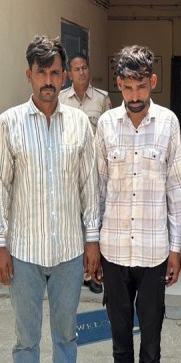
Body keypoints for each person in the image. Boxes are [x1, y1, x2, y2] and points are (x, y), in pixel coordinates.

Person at [0, 35, 100, 363]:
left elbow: (89, 186)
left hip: (69, 252)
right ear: (29, 75)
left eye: (55, 72)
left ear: (64, 74)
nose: (49, 80)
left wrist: (92, 240)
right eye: (42, 73)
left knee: (66, 339)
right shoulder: (10, 123)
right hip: (24, 254)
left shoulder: (79, 124)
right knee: (26, 342)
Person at [95, 45, 181, 363]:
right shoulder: (105, 125)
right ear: (119, 84)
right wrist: (92, 245)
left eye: (141, 87)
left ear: (152, 82)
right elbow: (97, 189)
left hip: (153, 253)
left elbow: (177, 190)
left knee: (151, 337)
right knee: (120, 335)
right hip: (114, 250)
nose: (135, 96)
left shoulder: (168, 124)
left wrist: (176, 248)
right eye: (128, 87)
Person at [60, 52, 111, 294]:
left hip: (95, 171)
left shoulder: (102, 99)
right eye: (76, 69)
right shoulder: (61, 99)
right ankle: (76, 272)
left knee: (94, 221)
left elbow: (108, 134)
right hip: (70, 170)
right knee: (72, 221)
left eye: (84, 68)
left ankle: (94, 274)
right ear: (68, 74)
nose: (81, 72)